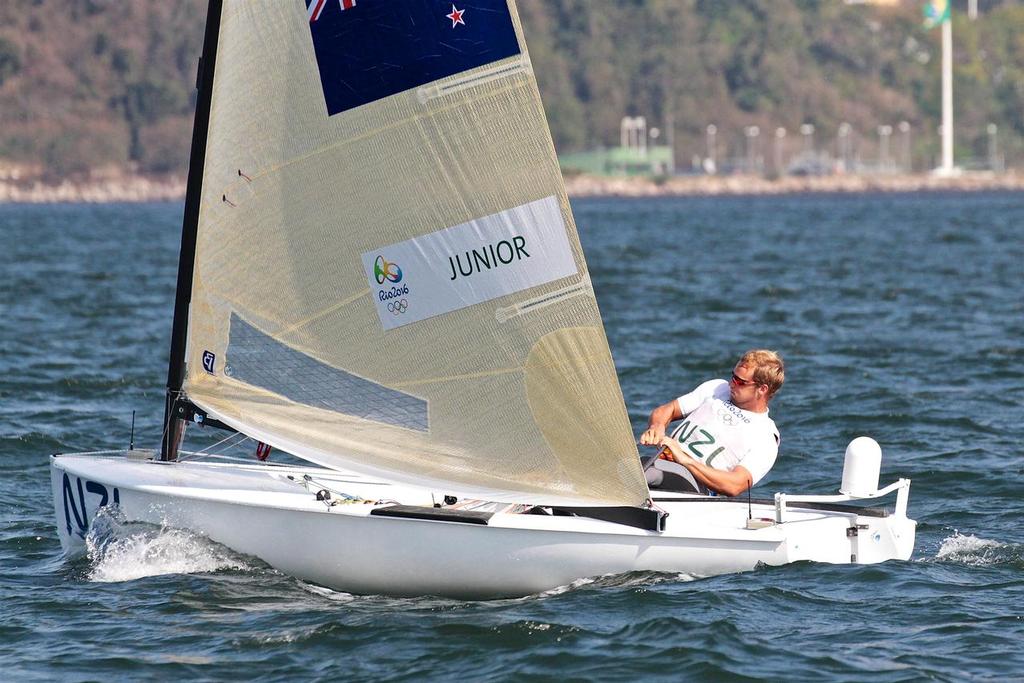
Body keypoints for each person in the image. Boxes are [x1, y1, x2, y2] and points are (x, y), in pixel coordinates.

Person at [639, 349, 784, 497]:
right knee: (630, 465)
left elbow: (735, 485)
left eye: (740, 382)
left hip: (697, 487)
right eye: (733, 376)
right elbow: (668, 410)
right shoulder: (717, 388)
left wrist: (684, 459)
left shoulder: (766, 437)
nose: (731, 384)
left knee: (644, 470)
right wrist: (657, 427)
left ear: (762, 389)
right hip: (663, 463)